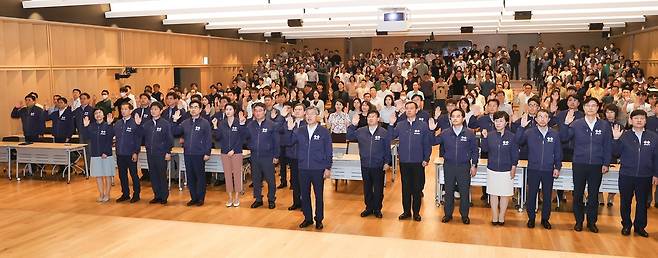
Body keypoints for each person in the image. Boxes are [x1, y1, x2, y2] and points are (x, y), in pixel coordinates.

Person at [560, 97, 612, 233]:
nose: (590, 108)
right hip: (579, 163)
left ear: (598, 108)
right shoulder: (576, 124)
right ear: (583, 108)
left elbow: (607, 146)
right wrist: (566, 124)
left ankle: (591, 222)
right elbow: (564, 138)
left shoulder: (604, 125)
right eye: (588, 105)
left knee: (593, 195)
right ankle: (578, 221)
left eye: (593, 105)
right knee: (577, 194)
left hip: (596, 164)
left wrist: (606, 162)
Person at [612, 110, 658, 238]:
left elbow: (656, 157)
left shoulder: (653, 137)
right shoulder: (624, 135)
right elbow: (615, 153)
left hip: (645, 175)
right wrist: (615, 139)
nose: (639, 120)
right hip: (627, 174)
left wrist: (656, 174)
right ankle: (626, 225)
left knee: (642, 203)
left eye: (642, 118)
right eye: (636, 118)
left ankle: (640, 227)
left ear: (645, 121)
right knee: (625, 201)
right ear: (630, 120)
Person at [285, 106, 332, 229]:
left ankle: (319, 219)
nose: (309, 116)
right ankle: (308, 218)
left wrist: (327, 167)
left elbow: (328, 150)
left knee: (318, 195)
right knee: (304, 195)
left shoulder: (323, 132)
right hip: (303, 168)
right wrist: (290, 130)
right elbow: (288, 143)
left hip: (318, 168)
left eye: (312, 114)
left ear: (317, 116)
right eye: (308, 114)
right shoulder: (300, 130)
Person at [516, 109, 562, 230]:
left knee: (547, 196)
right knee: (531, 195)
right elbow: (518, 141)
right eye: (540, 116)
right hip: (533, 169)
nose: (542, 119)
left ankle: (545, 219)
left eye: (545, 116)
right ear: (535, 119)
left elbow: (558, 152)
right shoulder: (529, 132)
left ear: (549, 119)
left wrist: (557, 167)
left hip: (548, 170)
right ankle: (531, 218)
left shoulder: (554, 134)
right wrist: (521, 127)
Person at [387, 101, 433, 222]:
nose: (409, 110)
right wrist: (391, 124)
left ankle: (416, 212)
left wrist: (426, 158)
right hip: (404, 162)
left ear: (416, 110)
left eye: (411, 108)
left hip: (418, 162)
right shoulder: (400, 125)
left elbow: (427, 143)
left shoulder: (423, 125)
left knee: (417, 189)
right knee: (405, 188)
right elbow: (390, 137)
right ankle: (406, 211)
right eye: (407, 108)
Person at [433, 108, 479, 224]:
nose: (455, 118)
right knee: (448, 192)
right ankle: (448, 214)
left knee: (464, 192)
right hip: (449, 166)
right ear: (450, 118)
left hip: (464, 166)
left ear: (463, 118)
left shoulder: (469, 133)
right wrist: (432, 129)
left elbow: (474, 151)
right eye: (453, 116)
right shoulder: (445, 133)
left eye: (458, 116)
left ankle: (464, 215)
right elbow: (433, 141)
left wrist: (474, 165)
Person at [346, 110, 392, 219]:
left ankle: (377, 209)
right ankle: (368, 208)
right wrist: (353, 125)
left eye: (373, 117)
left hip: (379, 165)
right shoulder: (361, 131)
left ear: (378, 119)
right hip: (365, 164)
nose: (370, 119)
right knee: (367, 188)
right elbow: (349, 136)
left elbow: (387, 149)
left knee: (378, 188)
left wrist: (387, 162)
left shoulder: (383, 132)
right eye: (369, 117)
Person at [171, 100, 213, 206]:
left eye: (196, 107)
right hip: (188, 153)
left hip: (199, 154)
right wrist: (175, 121)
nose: (193, 109)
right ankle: (193, 198)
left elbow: (208, 139)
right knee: (190, 177)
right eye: (191, 107)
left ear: (200, 109)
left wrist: (207, 152)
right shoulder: (185, 123)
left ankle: (200, 198)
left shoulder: (205, 123)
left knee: (200, 177)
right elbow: (175, 132)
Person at [480, 111, 519, 226]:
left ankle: (502, 217)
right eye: (496, 121)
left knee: (504, 194)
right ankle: (494, 216)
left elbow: (514, 153)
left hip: (506, 169)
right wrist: (485, 138)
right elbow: (485, 150)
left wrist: (513, 167)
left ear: (506, 122)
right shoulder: (490, 135)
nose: (498, 123)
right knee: (493, 194)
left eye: (501, 121)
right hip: (492, 169)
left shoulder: (511, 137)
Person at [243, 102, 280, 209]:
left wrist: (276, 156)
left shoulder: (271, 125)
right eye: (256, 111)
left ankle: (271, 199)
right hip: (254, 156)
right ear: (253, 112)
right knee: (256, 179)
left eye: (260, 110)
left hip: (268, 156)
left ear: (264, 112)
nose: (258, 113)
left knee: (270, 180)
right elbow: (245, 139)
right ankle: (258, 199)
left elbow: (276, 142)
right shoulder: (250, 125)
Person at [212, 103, 246, 207]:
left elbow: (243, 138)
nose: (228, 111)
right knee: (227, 175)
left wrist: (242, 124)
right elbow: (217, 137)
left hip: (237, 152)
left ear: (234, 111)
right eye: (226, 109)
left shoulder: (238, 122)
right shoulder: (222, 123)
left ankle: (236, 197)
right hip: (225, 152)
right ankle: (230, 197)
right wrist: (215, 126)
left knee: (236, 174)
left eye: (230, 109)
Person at [141, 102, 174, 205]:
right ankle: (157, 195)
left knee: (161, 175)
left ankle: (164, 196)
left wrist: (168, 152)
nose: (153, 111)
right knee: (153, 175)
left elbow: (169, 139)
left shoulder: (165, 123)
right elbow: (141, 136)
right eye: (152, 109)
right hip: (150, 153)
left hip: (161, 153)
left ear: (160, 111)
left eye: (155, 109)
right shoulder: (147, 124)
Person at [82, 109, 115, 202]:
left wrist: (109, 125)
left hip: (106, 154)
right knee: (98, 175)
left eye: (100, 112)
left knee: (107, 175)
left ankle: (107, 194)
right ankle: (101, 193)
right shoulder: (91, 126)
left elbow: (110, 138)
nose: (98, 114)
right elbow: (86, 137)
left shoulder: (107, 125)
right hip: (95, 154)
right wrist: (85, 127)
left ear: (103, 115)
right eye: (96, 113)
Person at [113, 103, 142, 203]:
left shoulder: (135, 123)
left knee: (134, 175)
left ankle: (136, 194)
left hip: (131, 153)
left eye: (125, 109)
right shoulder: (118, 123)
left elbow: (138, 139)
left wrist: (135, 152)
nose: (123, 111)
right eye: (122, 109)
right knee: (122, 175)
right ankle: (125, 194)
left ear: (130, 111)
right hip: (120, 153)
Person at [283, 103, 307, 211]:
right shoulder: (289, 122)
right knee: (294, 181)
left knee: (304, 182)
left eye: (300, 109)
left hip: (303, 157)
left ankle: (304, 203)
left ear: (304, 112)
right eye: (296, 109)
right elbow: (285, 140)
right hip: (292, 156)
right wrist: (289, 129)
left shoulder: (306, 124)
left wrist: (293, 130)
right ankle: (296, 202)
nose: (297, 111)